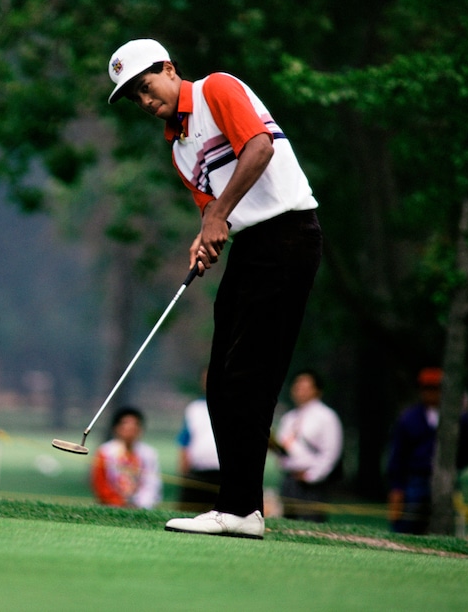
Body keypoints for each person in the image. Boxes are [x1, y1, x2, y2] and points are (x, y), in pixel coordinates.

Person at [107, 39, 322, 540]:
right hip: (250, 249)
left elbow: (259, 148)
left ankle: (242, 509)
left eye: (145, 86)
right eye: (134, 97)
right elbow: (212, 213)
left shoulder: (216, 89)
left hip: (289, 235)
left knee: (250, 376)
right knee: (221, 382)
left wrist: (219, 215)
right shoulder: (179, 148)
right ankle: (238, 506)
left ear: (168, 67)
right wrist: (205, 239)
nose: (144, 100)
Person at [386, 367, 468, 535]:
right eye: (426, 388)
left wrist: (456, 463)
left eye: (435, 389)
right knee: (408, 525)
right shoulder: (409, 418)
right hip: (416, 479)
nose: (431, 393)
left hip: (446, 478)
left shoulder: (458, 417)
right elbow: (398, 456)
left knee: (444, 524)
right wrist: (397, 487)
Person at [271, 369, 343, 522]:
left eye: (305, 387)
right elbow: (283, 449)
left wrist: (312, 475)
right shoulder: (289, 418)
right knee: (288, 521)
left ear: (317, 390)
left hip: (312, 483)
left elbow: (331, 452)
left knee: (311, 521)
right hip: (289, 479)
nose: (299, 390)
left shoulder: (326, 417)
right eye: (297, 386)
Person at [91, 406, 162, 509]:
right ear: (116, 428)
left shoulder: (149, 454)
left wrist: (141, 504)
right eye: (126, 427)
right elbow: (101, 484)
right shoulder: (105, 452)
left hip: (141, 507)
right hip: (111, 506)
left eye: (134, 427)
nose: (130, 432)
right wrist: (118, 503)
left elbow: (152, 484)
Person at [176, 367, 221, 512]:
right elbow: (185, 441)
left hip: (224, 474)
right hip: (198, 472)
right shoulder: (194, 408)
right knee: (189, 513)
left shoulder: (234, 406)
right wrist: (184, 471)